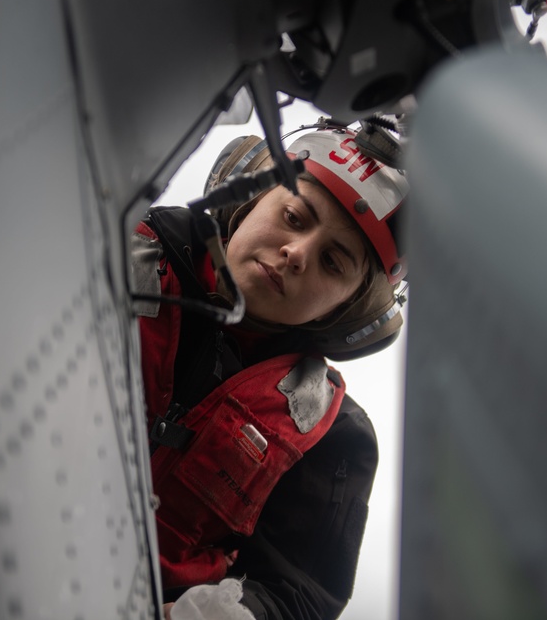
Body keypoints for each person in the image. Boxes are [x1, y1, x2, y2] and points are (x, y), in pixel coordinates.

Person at [131, 120, 408, 619]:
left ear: (344, 309)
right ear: (250, 200)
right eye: (294, 216)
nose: (297, 254)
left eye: (333, 262)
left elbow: (297, 591)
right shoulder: (113, 253)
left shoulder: (333, 436)